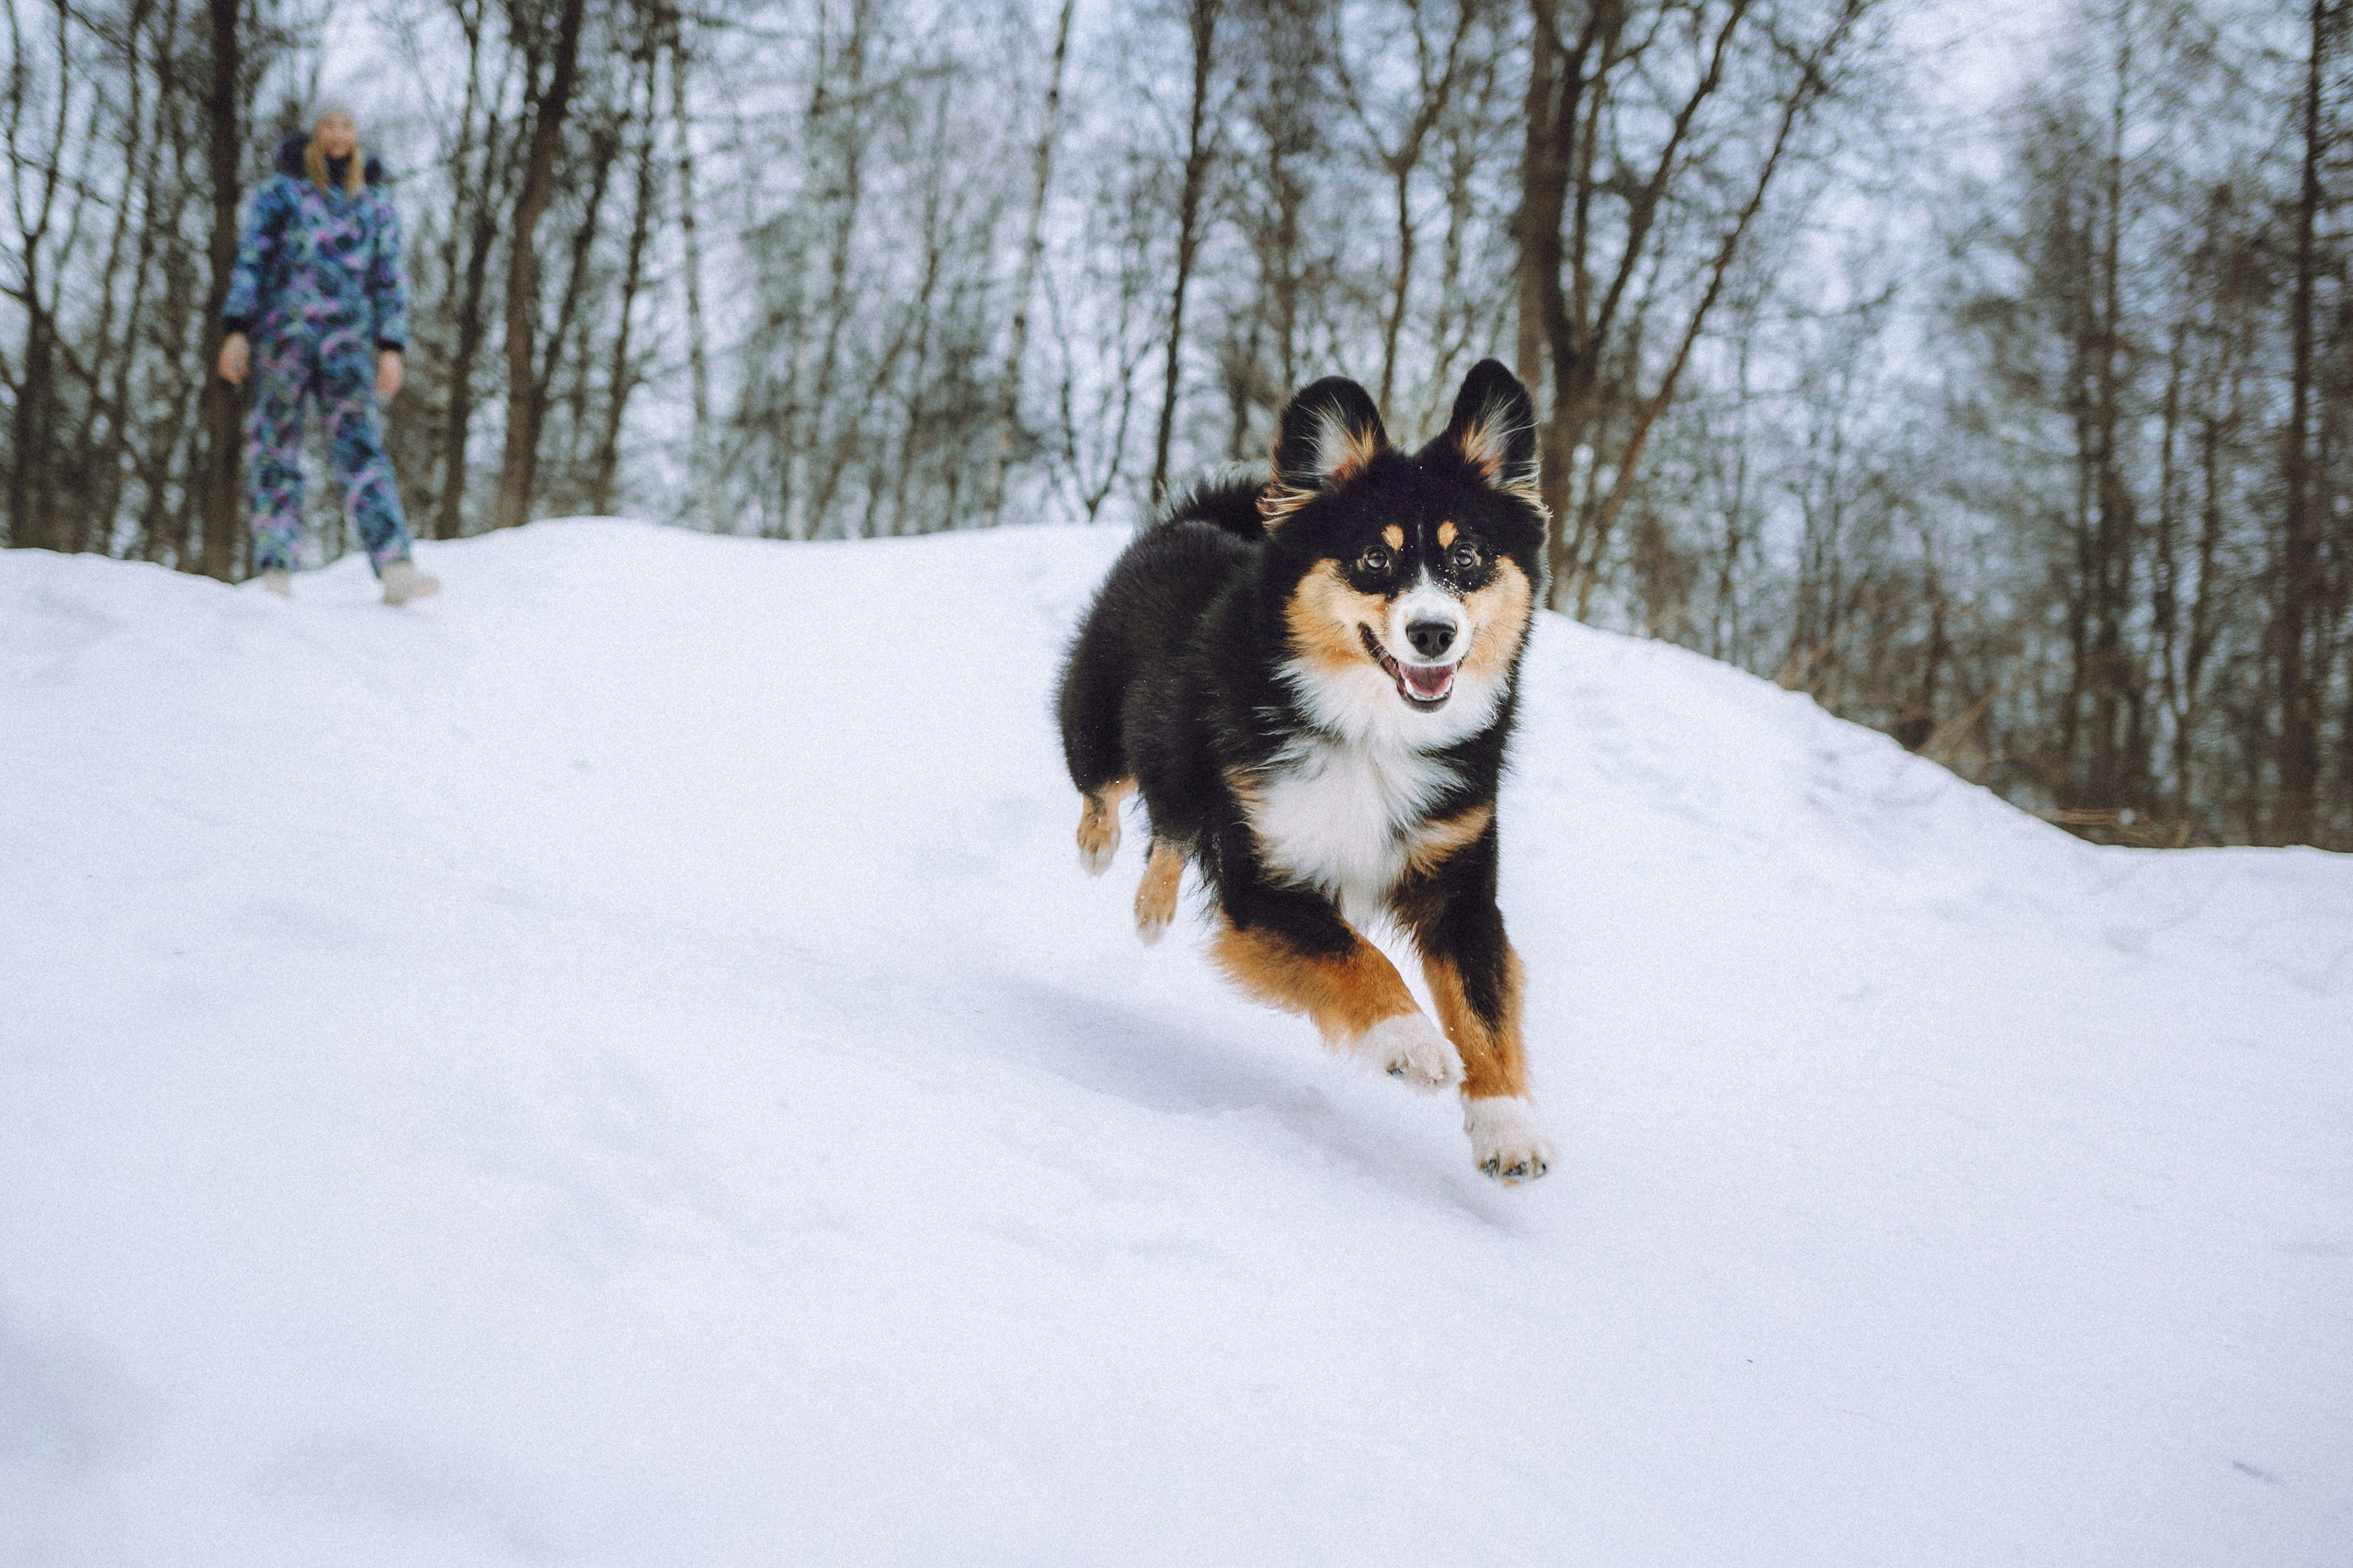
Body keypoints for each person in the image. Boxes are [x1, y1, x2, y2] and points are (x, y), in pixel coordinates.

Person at [217, 96, 438, 605]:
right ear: (314, 133)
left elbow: (390, 277)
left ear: (357, 134)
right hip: (283, 340)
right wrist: (236, 329)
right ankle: (275, 569)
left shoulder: (375, 201)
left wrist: (391, 346)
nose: (338, 134)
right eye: (329, 124)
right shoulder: (282, 194)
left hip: (350, 346)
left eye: (347, 124)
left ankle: (396, 568)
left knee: (361, 450)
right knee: (275, 448)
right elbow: (250, 260)